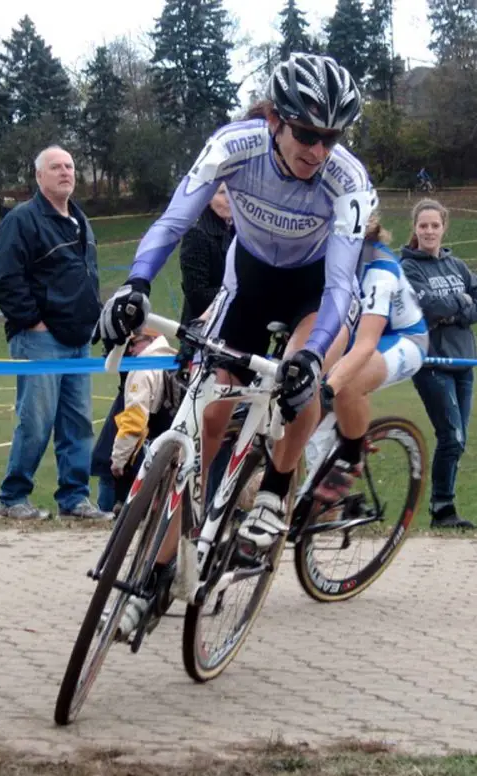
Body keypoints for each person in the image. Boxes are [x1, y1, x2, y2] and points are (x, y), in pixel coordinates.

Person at [95, 53, 374, 565]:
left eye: (331, 138)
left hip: (315, 290)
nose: (318, 150)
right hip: (248, 280)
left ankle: (274, 489)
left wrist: (313, 357)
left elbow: (340, 283)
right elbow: (175, 219)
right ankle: (161, 565)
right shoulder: (233, 145)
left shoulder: (348, 180)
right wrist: (134, 285)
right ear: (272, 120)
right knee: (210, 415)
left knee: (300, 371)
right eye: (306, 133)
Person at [0, 145, 111, 521]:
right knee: (36, 420)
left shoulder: (81, 220)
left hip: (79, 340)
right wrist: (33, 322)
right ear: (39, 176)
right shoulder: (22, 219)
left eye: (70, 166)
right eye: (56, 167)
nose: (65, 172)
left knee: (78, 424)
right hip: (40, 338)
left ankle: (74, 501)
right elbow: (8, 279)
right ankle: (12, 499)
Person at [308, 211, 429, 503]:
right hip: (351, 334)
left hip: (401, 338)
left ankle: (351, 456)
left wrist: (328, 386)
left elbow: (365, 343)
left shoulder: (379, 267)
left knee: (347, 384)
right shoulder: (320, 255)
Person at [401, 199, 477, 529]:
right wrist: (457, 305)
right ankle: (442, 509)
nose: (428, 231)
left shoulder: (458, 265)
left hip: (464, 360)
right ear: (415, 228)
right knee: (451, 435)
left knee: (459, 438)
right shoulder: (408, 267)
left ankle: (444, 506)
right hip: (432, 362)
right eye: (423, 225)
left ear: (443, 227)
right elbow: (426, 305)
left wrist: (454, 310)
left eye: (434, 225)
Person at [91, 327, 179, 514]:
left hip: (142, 457)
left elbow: (134, 422)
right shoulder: (173, 360)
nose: (130, 350)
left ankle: (107, 510)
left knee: (109, 473)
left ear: (150, 339)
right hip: (170, 453)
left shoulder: (143, 369)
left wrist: (118, 460)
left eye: (134, 343)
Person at [180, 182, 234, 325]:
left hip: (233, 324)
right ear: (208, 198)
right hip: (203, 330)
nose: (229, 198)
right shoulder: (197, 234)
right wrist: (239, 291)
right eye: (222, 193)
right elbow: (197, 295)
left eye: (232, 190)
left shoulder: (239, 231)